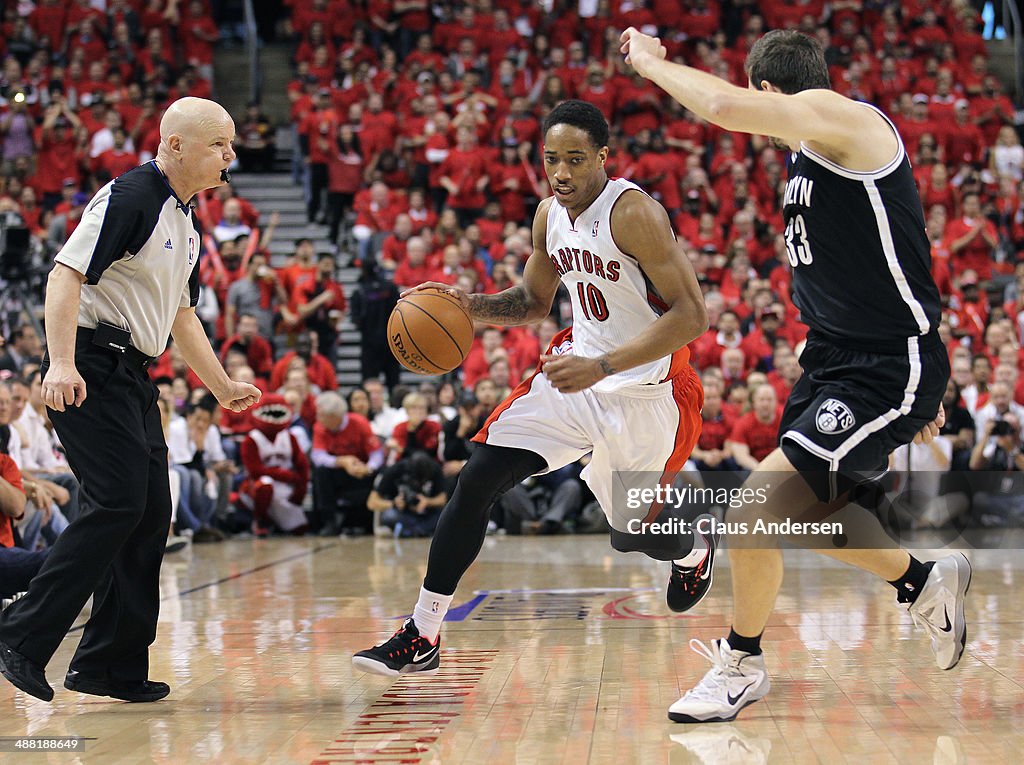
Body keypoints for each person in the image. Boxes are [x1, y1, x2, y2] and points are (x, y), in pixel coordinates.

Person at [617, 27, 966, 724]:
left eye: (757, 99)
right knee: (810, 514)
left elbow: (719, 106)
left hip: (885, 364)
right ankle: (924, 581)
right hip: (838, 360)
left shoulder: (844, 121)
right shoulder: (812, 153)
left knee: (751, 512)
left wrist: (652, 65)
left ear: (768, 91)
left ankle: (742, 662)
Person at [353, 100, 708, 677]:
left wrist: (606, 366)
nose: (562, 172)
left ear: (602, 157)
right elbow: (533, 304)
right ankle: (423, 632)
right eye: (551, 160)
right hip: (575, 376)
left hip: (649, 392)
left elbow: (693, 316)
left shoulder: (635, 214)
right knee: (476, 479)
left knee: (633, 534)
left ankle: (693, 552)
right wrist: (466, 305)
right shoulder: (549, 215)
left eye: (574, 159)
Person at [0, 97, 261, 703]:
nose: (231, 156)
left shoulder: (185, 221)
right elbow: (65, 274)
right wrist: (61, 361)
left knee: (148, 517)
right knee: (117, 502)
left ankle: (107, 665)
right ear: (175, 146)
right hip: (89, 362)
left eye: (230, 145)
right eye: (219, 145)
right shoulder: (134, 195)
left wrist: (221, 386)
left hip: (133, 374)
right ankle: (21, 632)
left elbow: (180, 314)